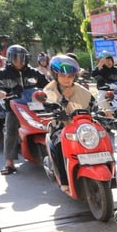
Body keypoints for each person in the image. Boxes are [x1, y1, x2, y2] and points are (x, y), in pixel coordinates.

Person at [43, 55, 97, 191]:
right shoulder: (49, 90)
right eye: (63, 76)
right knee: (60, 143)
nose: (67, 79)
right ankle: (65, 181)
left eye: (70, 76)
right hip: (60, 126)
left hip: (83, 126)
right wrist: (64, 98)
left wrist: (104, 111)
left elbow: (93, 104)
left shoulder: (82, 90)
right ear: (56, 75)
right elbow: (49, 106)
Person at [0, 44, 48, 175]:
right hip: (14, 106)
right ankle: (9, 163)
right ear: (9, 58)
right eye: (15, 58)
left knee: (51, 123)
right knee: (10, 129)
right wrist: (0, 92)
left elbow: (47, 84)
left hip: (35, 105)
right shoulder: (3, 73)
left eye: (21, 58)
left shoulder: (34, 72)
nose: (19, 61)